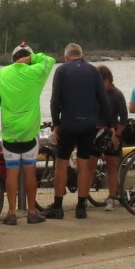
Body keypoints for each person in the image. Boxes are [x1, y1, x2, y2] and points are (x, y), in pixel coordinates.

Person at [0, 42, 56, 225]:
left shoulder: (3, 73)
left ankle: (11, 213)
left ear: (13, 58)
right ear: (27, 58)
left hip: (10, 131)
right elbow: (49, 60)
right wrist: (32, 59)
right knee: (30, 171)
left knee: (12, 171)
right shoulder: (35, 73)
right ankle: (32, 212)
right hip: (29, 131)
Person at [45, 43, 113, 220]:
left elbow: (55, 100)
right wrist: (110, 124)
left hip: (68, 123)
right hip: (89, 124)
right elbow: (103, 99)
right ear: (82, 55)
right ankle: (81, 206)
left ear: (66, 56)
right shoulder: (93, 71)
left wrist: (56, 123)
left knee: (61, 163)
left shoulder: (61, 71)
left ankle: (58, 206)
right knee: (84, 163)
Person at [98, 64, 129, 209]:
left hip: (113, 131)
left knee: (112, 166)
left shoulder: (117, 94)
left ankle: (112, 196)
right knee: (89, 165)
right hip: (98, 130)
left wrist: (117, 135)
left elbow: (124, 117)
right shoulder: (96, 94)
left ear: (108, 80)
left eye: (102, 81)